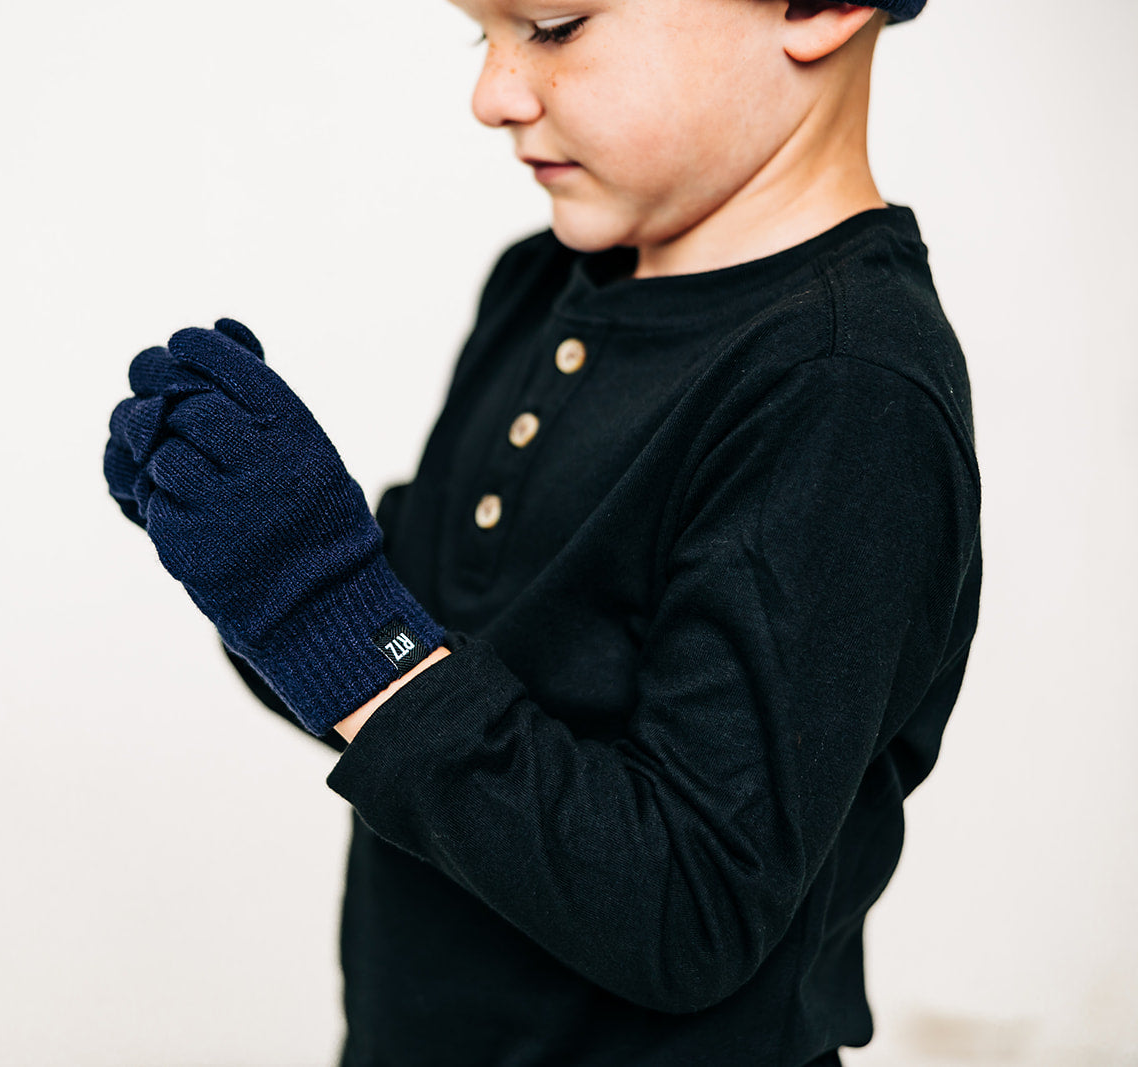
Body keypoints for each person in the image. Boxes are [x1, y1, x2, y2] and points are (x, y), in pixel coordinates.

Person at [102, 0, 981, 1063]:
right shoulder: (539, 282)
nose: (492, 96)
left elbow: (690, 911)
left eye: (555, 26)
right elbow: (403, 701)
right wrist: (255, 572)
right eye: (483, 35)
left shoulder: (846, 388)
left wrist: (324, 602)